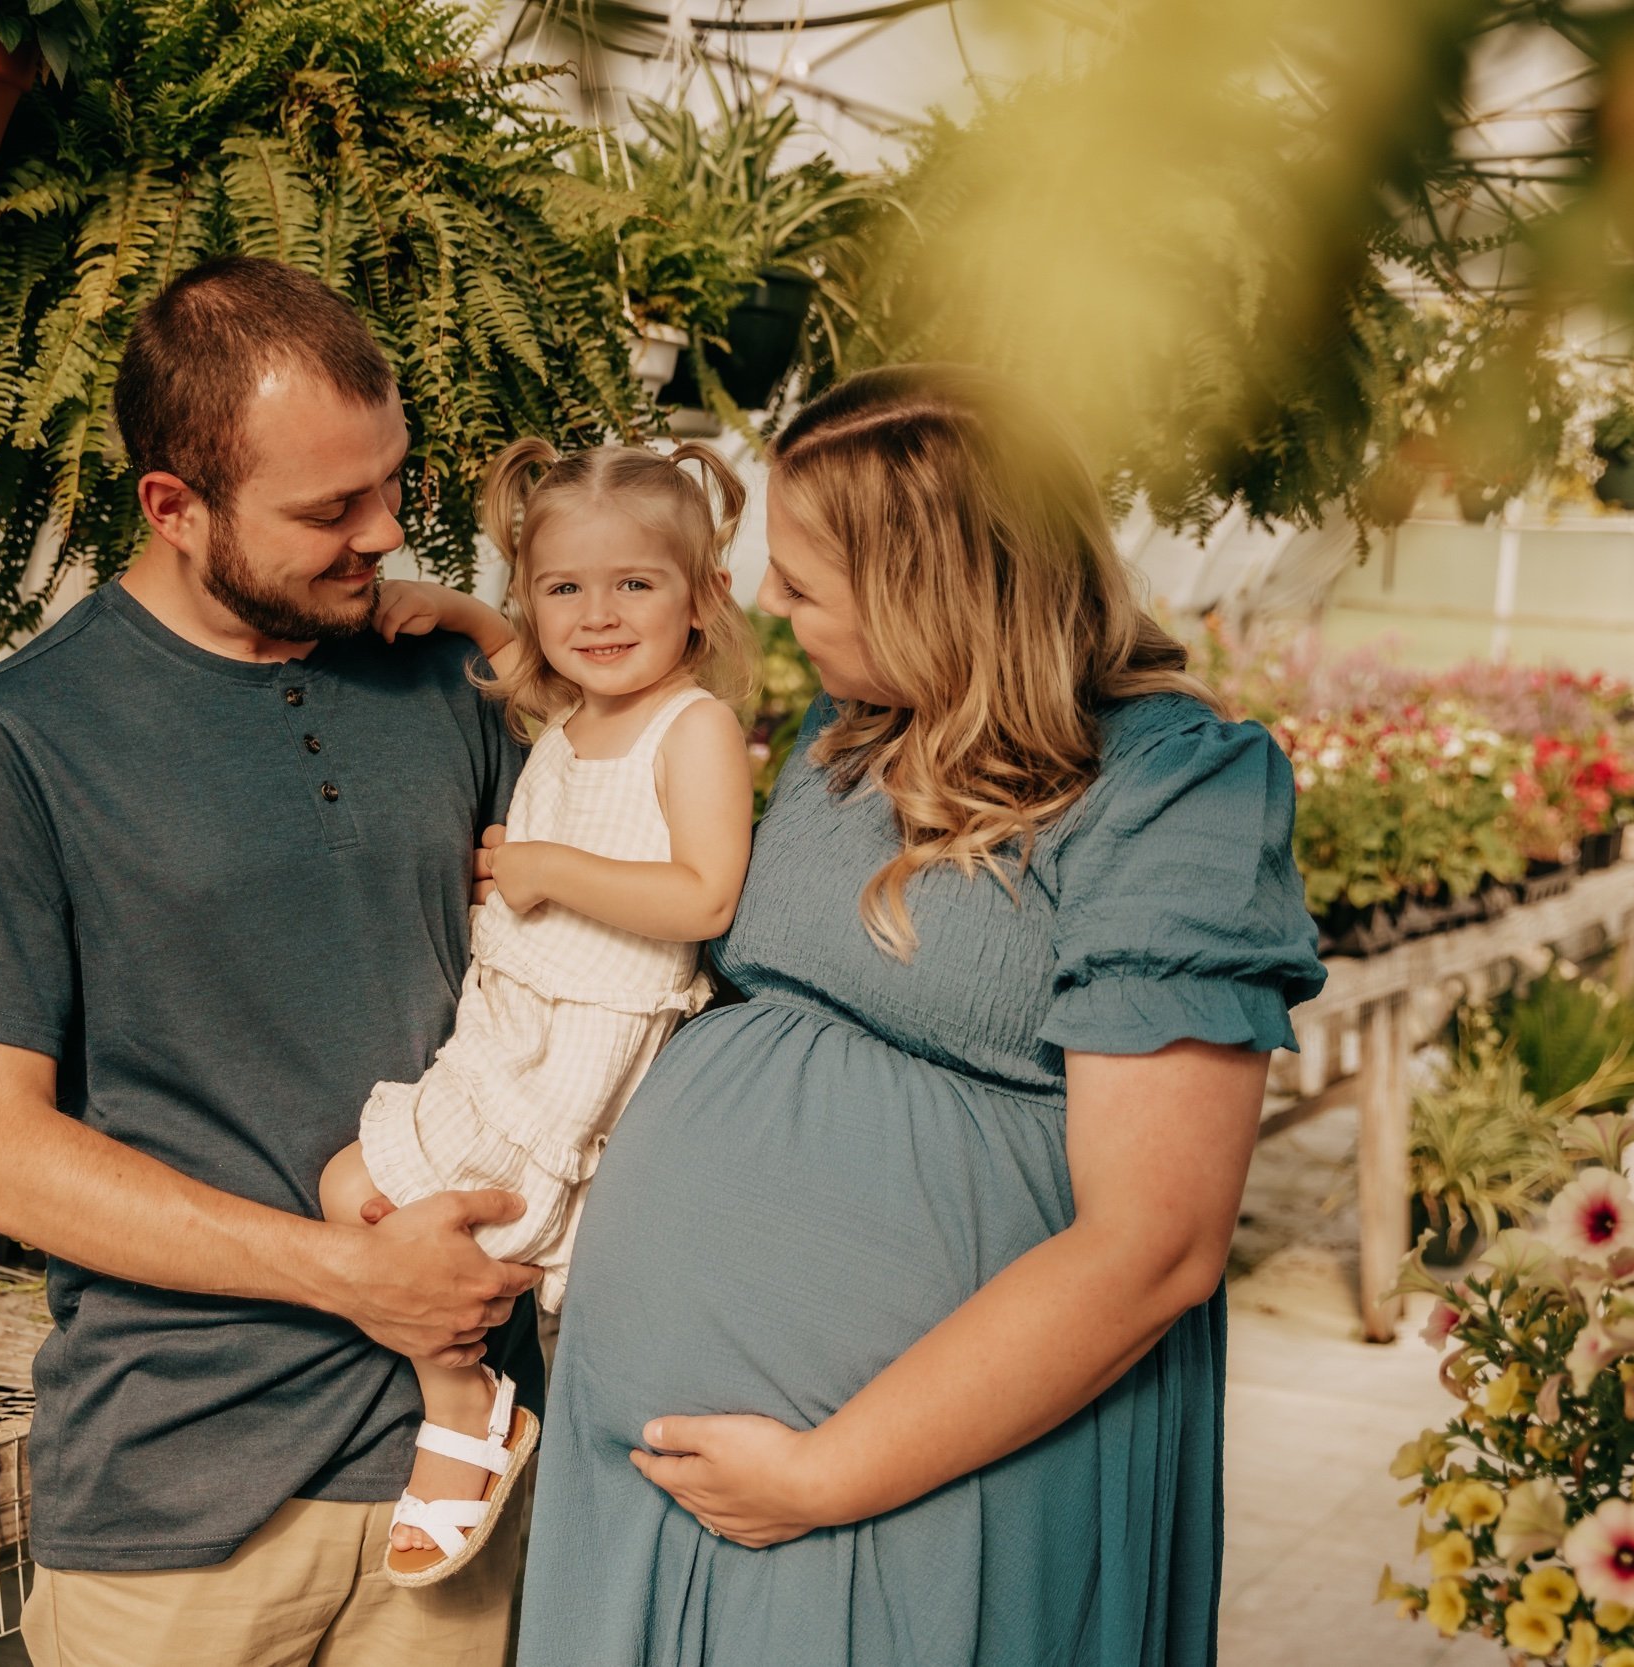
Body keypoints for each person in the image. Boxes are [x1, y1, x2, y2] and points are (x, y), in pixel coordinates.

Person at [516, 365, 1330, 1665]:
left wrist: (829, 1471)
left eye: (803, 581)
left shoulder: (1177, 791)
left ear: (933, 588)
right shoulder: (855, 728)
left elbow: (1155, 1244)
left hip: (909, 1485)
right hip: (672, 1480)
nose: (770, 605)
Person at [0, 256, 542, 1667]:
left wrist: (516, 640)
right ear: (174, 505)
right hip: (179, 1496)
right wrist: (349, 1275)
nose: (387, 531)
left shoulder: (446, 682)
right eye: (328, 509)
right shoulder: (19, 738)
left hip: (464, 1464)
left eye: (392, 483)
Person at [318, 438, 758, 1588]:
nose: (598, 615)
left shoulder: (691, 727)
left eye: (636, 585)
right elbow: (530, 657)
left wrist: (549, 866)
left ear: (701, 598)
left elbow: (704, 891)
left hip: (581, 1050)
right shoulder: (567, 712)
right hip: (503, 1034)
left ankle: (463, 1413)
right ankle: (482, 1410)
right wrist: (460, 610)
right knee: (366, 1200)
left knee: (407, 1218)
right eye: (565, 587)